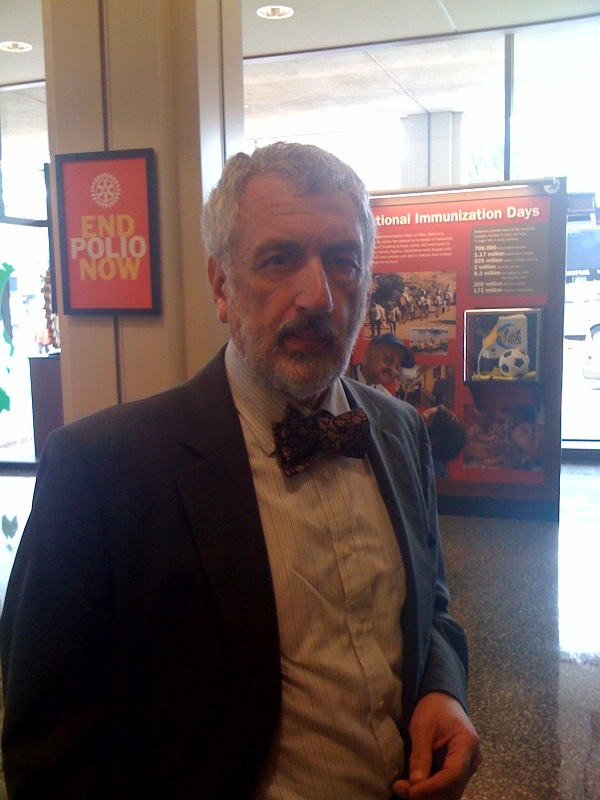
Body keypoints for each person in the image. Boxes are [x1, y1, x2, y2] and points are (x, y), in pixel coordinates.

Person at [0, 142, 481, 800]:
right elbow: (48, 749)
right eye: (279, 259)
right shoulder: (103, 472)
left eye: (342, 261)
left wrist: (441, 691)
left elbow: (434, 608)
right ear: (221, 285)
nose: (317, 296)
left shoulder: (398, 431)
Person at [351, 332, 416, 392]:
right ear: (370, 349)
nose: (393, 370)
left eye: (397, 367)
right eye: (389, 359)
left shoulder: (384, 397)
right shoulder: (345, 378)